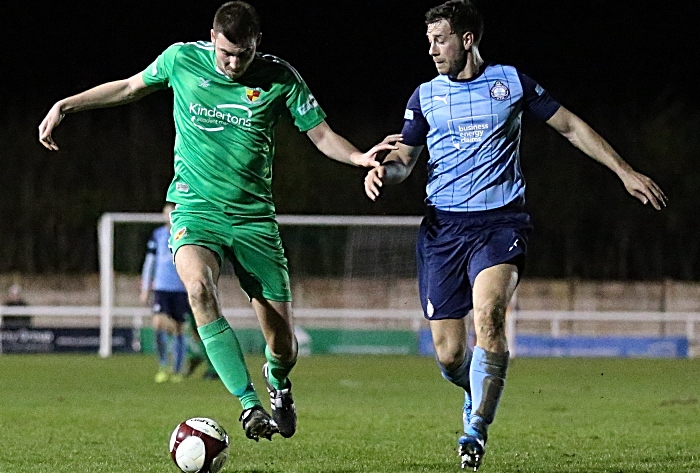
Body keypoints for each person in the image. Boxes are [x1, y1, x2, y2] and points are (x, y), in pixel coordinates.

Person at [38, 1, 400, 442]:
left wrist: (359, 157)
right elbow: (131, 87)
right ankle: (249, 405)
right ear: (212, 37)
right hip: (195, 208)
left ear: (257, 45)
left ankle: (277, 380)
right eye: (226, 52)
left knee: (283, 343)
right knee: (198, 288)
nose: (232, 63)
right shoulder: (180, 60)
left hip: (253, 220)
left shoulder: (279, 76)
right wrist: (66, 105)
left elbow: (321, 134)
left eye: (243, 54)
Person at [363, 1, 667, 470]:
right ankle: (476, 389)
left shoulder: (510, 83)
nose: (432, 49)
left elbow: (568, 125)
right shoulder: (424, 96)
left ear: (467, 39)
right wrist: (385, 169)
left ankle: (474, 432)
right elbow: (406, 157)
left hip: (500, 223)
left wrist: (623, 171)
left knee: (489, 316)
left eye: (440, 39)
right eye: (428, 40)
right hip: (443, 229)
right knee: (448, 355)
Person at [140, 202, 217, 383]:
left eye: (172, 214)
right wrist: (145, 287)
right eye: (166, 214)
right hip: (161, 287)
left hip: (181, 288)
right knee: (158, 323)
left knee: (180, 329)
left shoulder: (185, 233)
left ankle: (177, 369)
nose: (169, 217)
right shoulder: (157, 235)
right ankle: (163, 365)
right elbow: (150, 262)